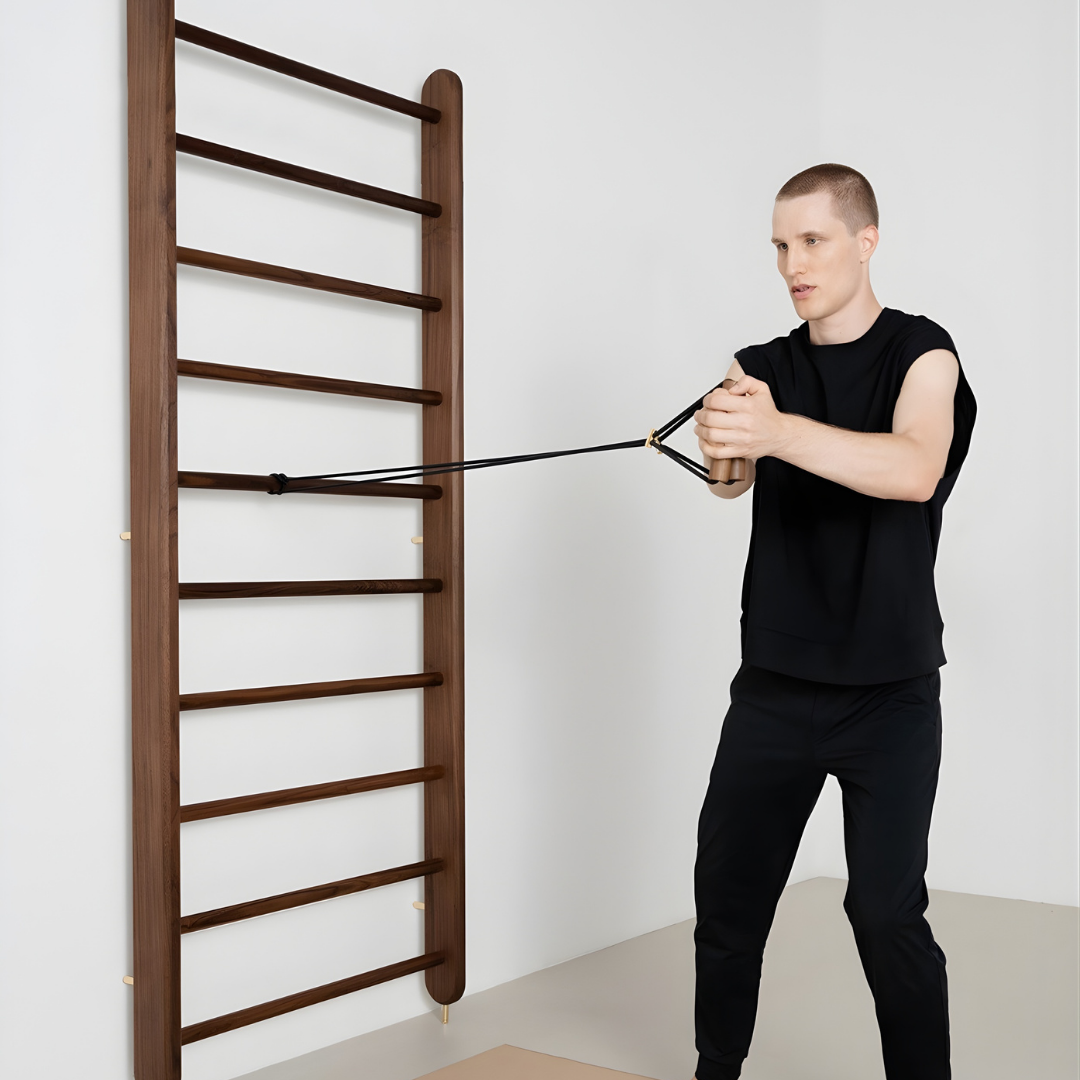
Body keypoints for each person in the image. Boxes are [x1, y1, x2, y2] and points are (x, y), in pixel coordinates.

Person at [690, 163, 976, 1080]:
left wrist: (772, 436)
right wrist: (724, 445)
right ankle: (715, 1071)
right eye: (779, 245)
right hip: (774, 687)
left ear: (865, 240)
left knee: (886, 914)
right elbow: (734, 483)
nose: (792, 264)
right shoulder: (763, 367)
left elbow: (914, 467)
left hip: (888, 695)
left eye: (811, 240)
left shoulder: (924, 354)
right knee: (728, 904)